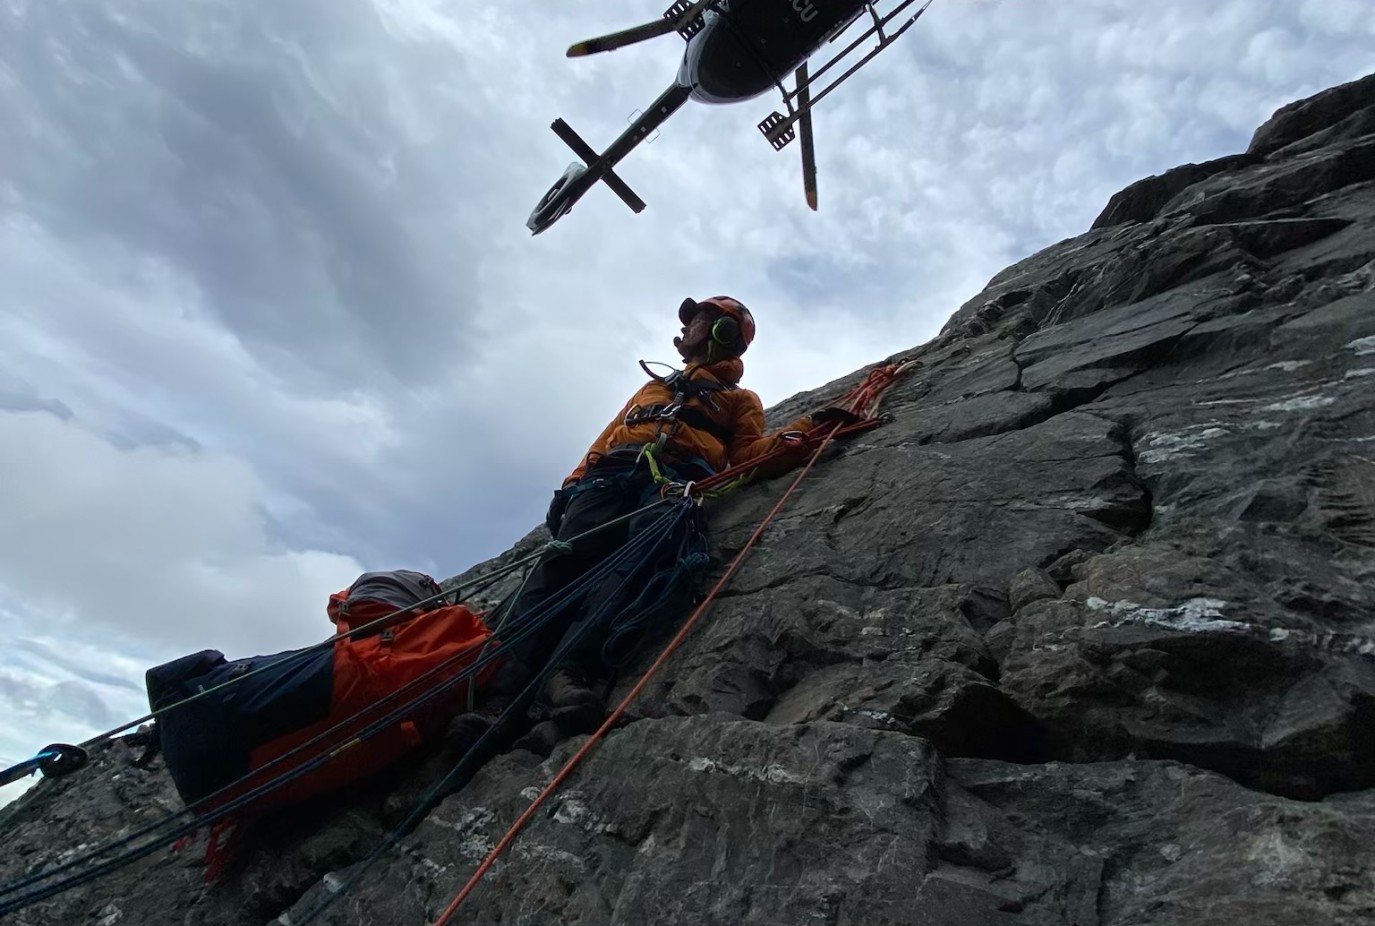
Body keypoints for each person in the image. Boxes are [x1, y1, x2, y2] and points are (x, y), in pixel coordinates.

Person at [498, 295, 860, 734]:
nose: (687, 328)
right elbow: (607, 437)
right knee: (559, 567)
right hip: (610, 475)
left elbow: (747, 455)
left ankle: (570, 670)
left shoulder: (740, 399)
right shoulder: (654, 388)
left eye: (700, 321)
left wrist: (807, 428)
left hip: (675, 479)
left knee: (639, 560)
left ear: (724, 335)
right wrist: (573, 484)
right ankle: (500, 693)